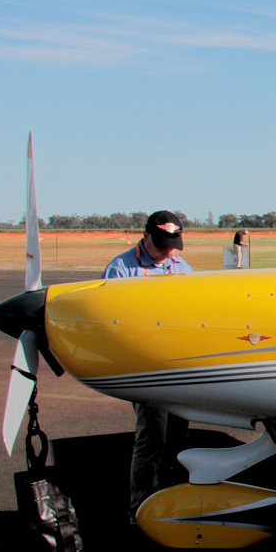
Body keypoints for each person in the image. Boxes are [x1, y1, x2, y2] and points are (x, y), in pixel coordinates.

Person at [103, 211, 194, 522]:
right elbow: (112, 322)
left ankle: (175, 497)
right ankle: (140, 506)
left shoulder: (181, 268)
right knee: (151, 436)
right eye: (162, 245)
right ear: (145, 237)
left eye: (173, 245)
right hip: (146, 368)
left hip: (179, 366)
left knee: (178, 437)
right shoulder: (120, 269)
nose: (168, 251)